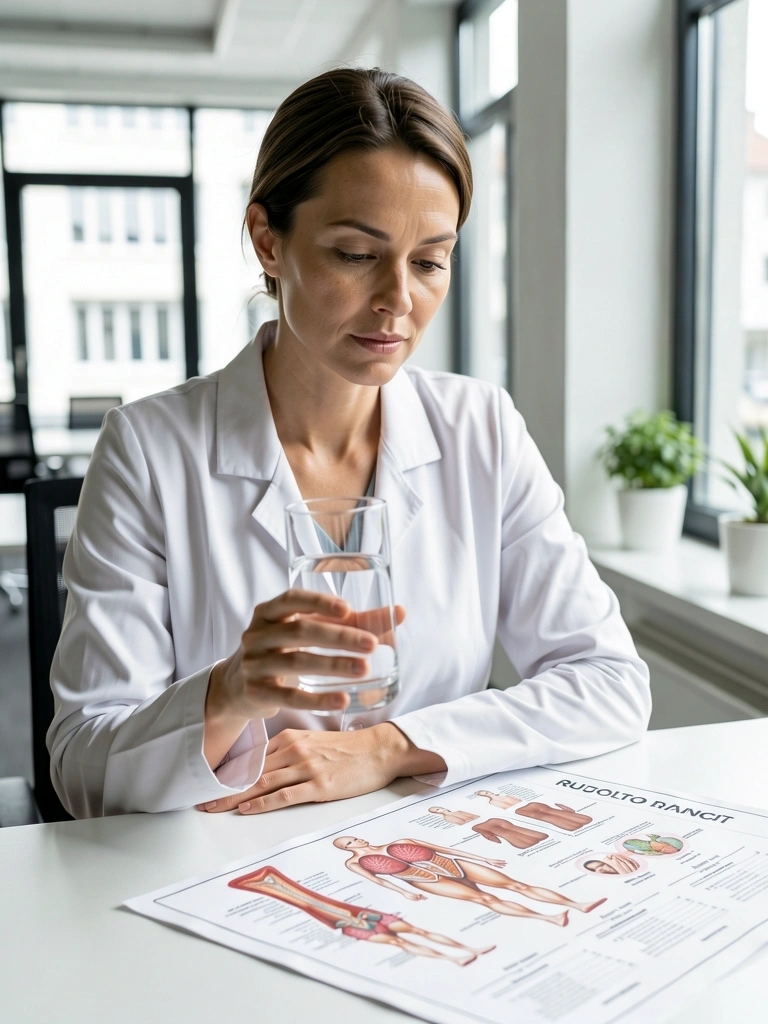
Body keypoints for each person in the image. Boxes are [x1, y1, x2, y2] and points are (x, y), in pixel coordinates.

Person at [48, 67, 650, 818]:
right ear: (269, 241)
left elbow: (608, 682)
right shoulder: (148, 449)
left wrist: (388, 745)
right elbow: (83, 768)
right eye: (356, 254)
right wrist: (227, 693)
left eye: (430, 261)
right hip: (220, 875)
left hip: (426, 860)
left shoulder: (481, 429)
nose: (399, 300)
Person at [228, 866, 493, 965]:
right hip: (346, 920)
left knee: (416, 933)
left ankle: (468, 949)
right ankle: (454, 958)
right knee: (403, 942)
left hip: (358, 915)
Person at [333, 835, 606, 927]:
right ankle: (550, 919)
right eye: (351, 841)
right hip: (423, 880)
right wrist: (403, 893)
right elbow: (379, 882)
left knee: (515, 885)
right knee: (485, 899)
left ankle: (577, 903)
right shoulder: (353, 863)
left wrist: (484, 859)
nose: (359, 841)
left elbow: (445, 849)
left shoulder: (400, 841)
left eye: (355, 837)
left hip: (452, 863)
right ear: (346, 848)